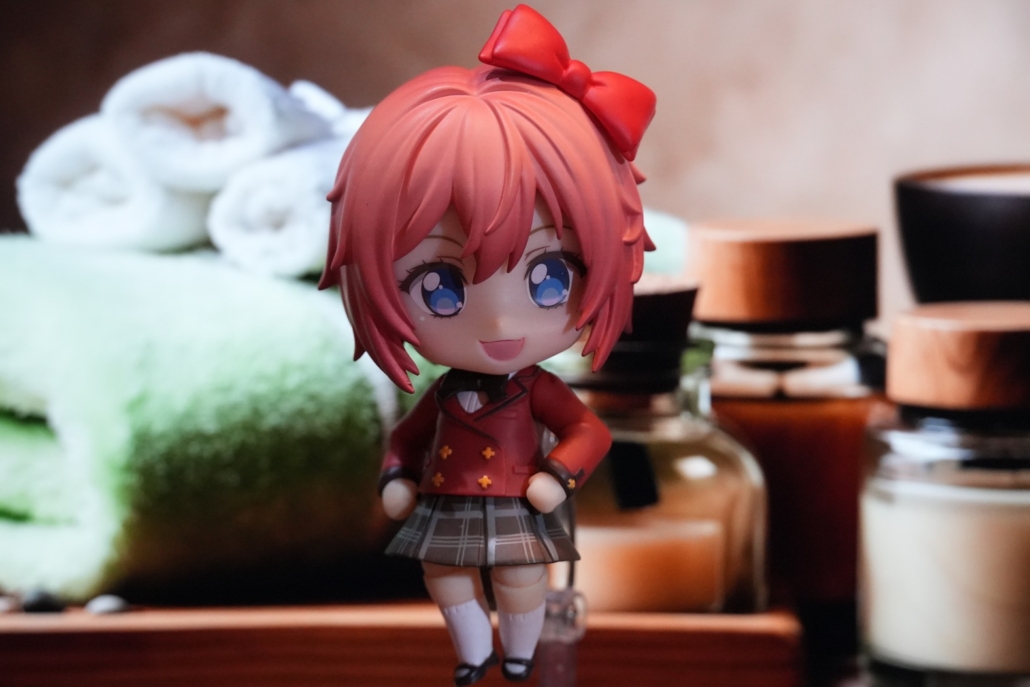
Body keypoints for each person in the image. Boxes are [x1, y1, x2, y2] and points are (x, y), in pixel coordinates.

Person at [319, 5, 656, 684]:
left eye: (549, 276)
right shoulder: (444, 393)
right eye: (439, 285)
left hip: (516, 495)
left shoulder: (539, 390)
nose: (500, 323)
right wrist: (395, 477)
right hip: (447, 495)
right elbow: (407, 438)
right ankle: (475, 652)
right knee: (442, 571)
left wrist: (557, 475)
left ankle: (520, 650)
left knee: (522, 574)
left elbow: (588, 431)